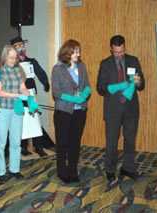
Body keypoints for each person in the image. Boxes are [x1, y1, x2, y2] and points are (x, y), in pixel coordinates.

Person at [96, 35, 145, 187]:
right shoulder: (105, 64)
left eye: (122, 51)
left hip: (131, 108)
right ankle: (110, 170)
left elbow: (142, 85)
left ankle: (128, 168)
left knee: (130, 140)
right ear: (111, 49)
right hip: (113, 109)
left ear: (125, 47)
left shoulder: (133, 60)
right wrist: (116, 87)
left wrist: (138, 82)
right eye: (116, 52)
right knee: (111, 141)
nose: (119, 55)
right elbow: (100, 88)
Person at [51, 39, 91, 183]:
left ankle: (73, 170)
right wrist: (74, 99)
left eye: (78, 51)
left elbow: (87, 86)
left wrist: (84, 96)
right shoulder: (58, 68)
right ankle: (62, 171)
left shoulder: (82, 66)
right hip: (63, 112)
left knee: (75, 142)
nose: (78, 54)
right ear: (67, 52)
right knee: (62, 143)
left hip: (80, 111)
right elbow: (56, 92)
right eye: (75, 52)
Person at [10, 36, 54, 157]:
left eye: (21, 45)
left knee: (35, 120)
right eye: (16, 46)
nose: (20, 48)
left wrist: (45, 82)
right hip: (18, 95)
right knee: (21, 121)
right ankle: (23, 147)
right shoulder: (11, 63)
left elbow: (40, 72)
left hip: (31, 94)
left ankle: (38, 146)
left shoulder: (31, 61)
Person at [0, 45, 29, 183]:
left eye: (15, 57)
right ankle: (0, 172)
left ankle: (15, 169)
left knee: (16, 142)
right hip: (2, 109)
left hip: (17, 110)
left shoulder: (19, 69)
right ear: (5, 56)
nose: (14, 60)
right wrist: (17, 95)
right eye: (11, 57)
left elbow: (23, 88)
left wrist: (27, 95)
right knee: (1, 142)